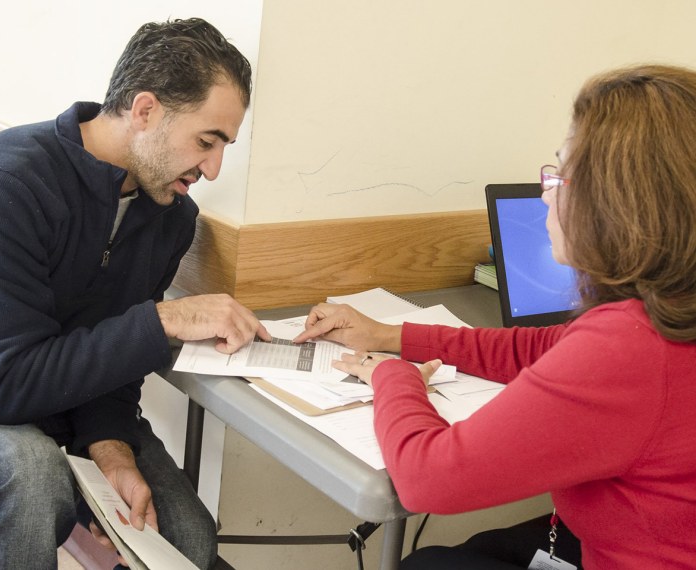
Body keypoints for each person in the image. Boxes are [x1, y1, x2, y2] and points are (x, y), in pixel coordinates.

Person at [293, 64, 696, 569]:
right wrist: (390, 334)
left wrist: (392, 377)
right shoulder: (669, 312)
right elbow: (539, 349)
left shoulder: (632, 346)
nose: (547, 191)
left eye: (562, 174)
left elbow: (427, 480)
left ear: (619, 203)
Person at [0, 18, 270, 570]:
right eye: (206, 141)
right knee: (28, 479)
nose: (213, 168)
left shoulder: (170, 217)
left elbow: (114, 365)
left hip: (60, 394)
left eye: (224, 147)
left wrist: (110, 445)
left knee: (187, 537)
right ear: (145, 111)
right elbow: (9, 385)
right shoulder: (3, 184)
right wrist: (161, 321)